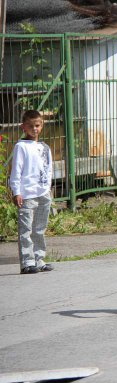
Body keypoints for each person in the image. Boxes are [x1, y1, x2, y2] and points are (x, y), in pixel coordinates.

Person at [9, 110, 54, 274]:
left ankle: (39, 259)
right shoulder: (21, 147)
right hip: (27, 195)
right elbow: (16, 171)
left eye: (37, 125)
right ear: (23, 127)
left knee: (39, 229)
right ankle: (27, 263)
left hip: (43, 194)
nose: (34, 129)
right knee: (26, 230)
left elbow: (49, 169)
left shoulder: (44, 147)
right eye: (31, 126)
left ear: (41, 126)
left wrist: (47, 189)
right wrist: (16, 191)